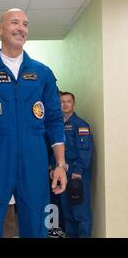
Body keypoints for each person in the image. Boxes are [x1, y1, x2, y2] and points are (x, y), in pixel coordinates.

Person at [0, 8, 67, 238]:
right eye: (15, 22)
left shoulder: (42, 73)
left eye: (25, 24)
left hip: (34, 156)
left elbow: (54, 120)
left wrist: (61, 164)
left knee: (36, 223)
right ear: (0, 29)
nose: (21, 28)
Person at [56, 91, 94, 237]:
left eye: (68, 101)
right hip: (62, 173)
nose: (65, 104)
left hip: (77, 174)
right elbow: (55, 150)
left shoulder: (80, 125)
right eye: (62, 101)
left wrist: (78, 171)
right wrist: (53, 167)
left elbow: (85, 152)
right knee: (68, 214)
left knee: (81, 214)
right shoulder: (56, 125)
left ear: (73, 104)